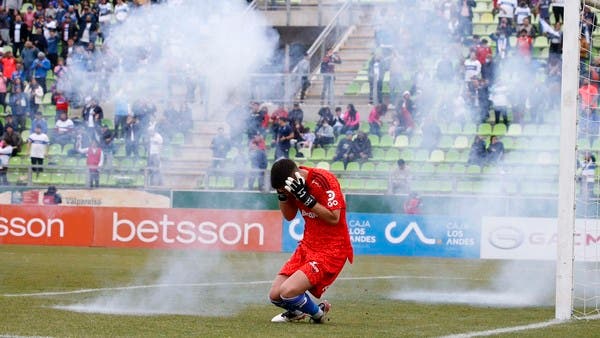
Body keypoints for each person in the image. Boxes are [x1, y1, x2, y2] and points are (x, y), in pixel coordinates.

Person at [268, 158, 353, 323]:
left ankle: (318, 314)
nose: (285, 193)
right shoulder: (292, 186)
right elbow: (289, 216)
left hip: (332, 249)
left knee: (287, 292)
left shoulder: (324, 179)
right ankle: (297, 312)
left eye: (284, 190)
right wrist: (283, 195)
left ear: (293, 177)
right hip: (308, 246)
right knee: (275, 296)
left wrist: (306, 198)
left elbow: (334, 217)